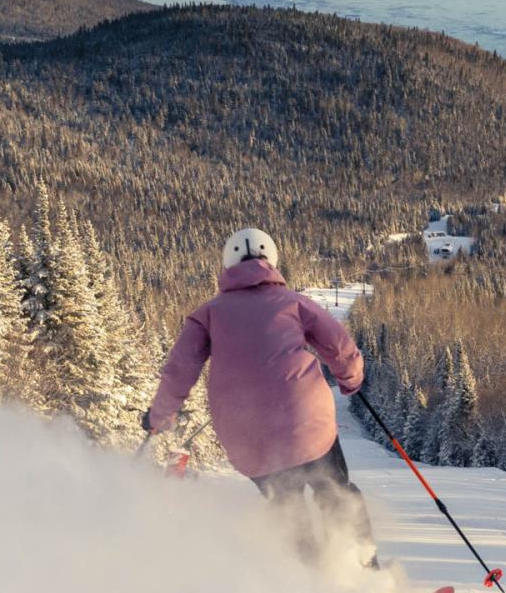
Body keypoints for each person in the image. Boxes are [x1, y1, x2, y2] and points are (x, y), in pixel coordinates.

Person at [142, 228, 378, 567]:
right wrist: (350, 380)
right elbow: (340, 347)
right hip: (305, 420)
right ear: (272, 260)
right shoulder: (294, 303)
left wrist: (160, 417)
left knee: (286, 507)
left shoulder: (206, 315)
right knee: (335, 491)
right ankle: (365, 575)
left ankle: (316, 585)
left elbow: (179, 369)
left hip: (248, 435)